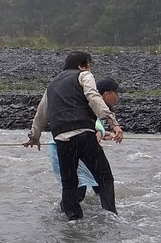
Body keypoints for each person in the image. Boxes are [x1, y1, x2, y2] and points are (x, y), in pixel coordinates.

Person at [23, 51, 124, 220]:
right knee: (105, 177)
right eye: (89, 65)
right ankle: (110, 216)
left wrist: (34, 136)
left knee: (69, 184)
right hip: (84, 134)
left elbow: (41, 113)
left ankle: (73, 220)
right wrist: (113, 122)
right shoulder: (83, 75)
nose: (90, 69)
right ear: (80, 66)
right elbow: (94, 98)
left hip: (62, 139)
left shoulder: (52, 86)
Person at [48, 77, 127, 205]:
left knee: (92, 184)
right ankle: (105, 215)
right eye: (116, 93)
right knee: (80, 189)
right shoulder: (94, 103)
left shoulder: (90, 103)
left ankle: (77, 215)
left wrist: (102, 133)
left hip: (68, 142)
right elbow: (88, 124)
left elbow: (92, 125)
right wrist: (99, 131)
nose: (118, 97)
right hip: (68, 144)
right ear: (106, 94)